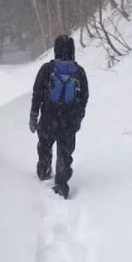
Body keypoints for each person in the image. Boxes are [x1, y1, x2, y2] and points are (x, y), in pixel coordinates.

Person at [29, 34, 89, 198]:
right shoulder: (79, 72)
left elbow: (37, 94)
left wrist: (34, 116)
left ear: (55, 50)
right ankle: (61, 185)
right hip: (68, 121)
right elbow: (84, 98)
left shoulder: (47, 69)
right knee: (65, 153)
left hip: (48, 118)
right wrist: (78, 119)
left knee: (44, 147)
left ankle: (44, 172)